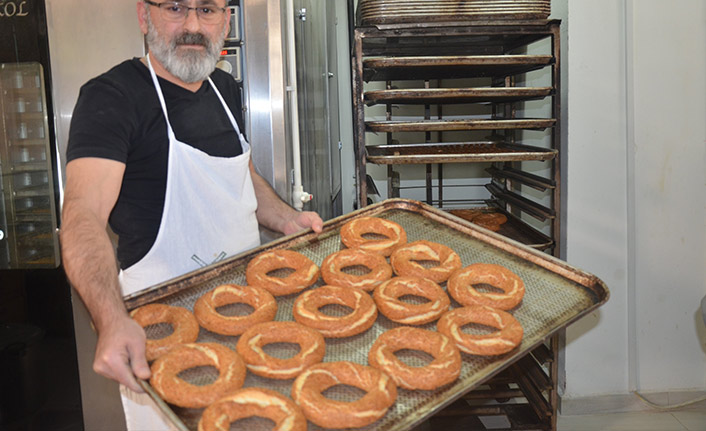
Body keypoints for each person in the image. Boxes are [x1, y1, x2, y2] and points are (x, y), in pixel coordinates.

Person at [60, 1, 323, 429]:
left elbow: (245, 173)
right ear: (145, 16)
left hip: (251, 319)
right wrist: (111, 321)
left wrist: (285, 218)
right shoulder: (113, 96)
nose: (193, 26)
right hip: (162, 337)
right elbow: (82, 214)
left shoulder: (225, 87)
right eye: (176, 8)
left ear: (227, 20)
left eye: (207, 10)